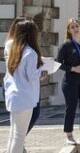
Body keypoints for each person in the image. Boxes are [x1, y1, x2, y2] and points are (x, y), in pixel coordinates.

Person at [4, 18, 44, 153]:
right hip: (25, 99)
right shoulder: (30, 53)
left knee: (13, 134)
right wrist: (41, 72)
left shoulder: (12, 49)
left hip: (13, 96)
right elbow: (32, 77)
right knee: (19, 137)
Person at [57, 18, 80, 148]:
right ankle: (69, 135)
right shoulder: (66, 45)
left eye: (77, 26)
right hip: (71, 81)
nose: (75, 28)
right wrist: (73, 68)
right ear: (68, 30)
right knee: (71, 108)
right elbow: (58, 64)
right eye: (72, 27)